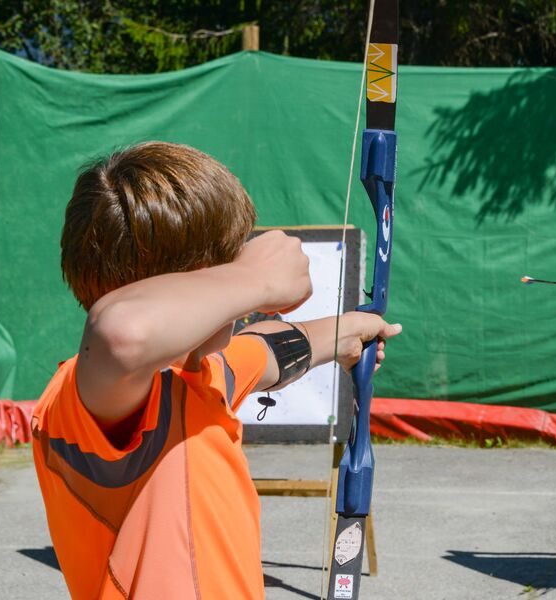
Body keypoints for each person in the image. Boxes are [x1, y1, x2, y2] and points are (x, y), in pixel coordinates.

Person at [30, 141, 401, 599]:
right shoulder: (88, 398)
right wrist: (256, 279)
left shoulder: (198, 377)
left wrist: (347, 332)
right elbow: (122, 333)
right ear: (203, 275)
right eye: (231, 258)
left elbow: (267, 351)